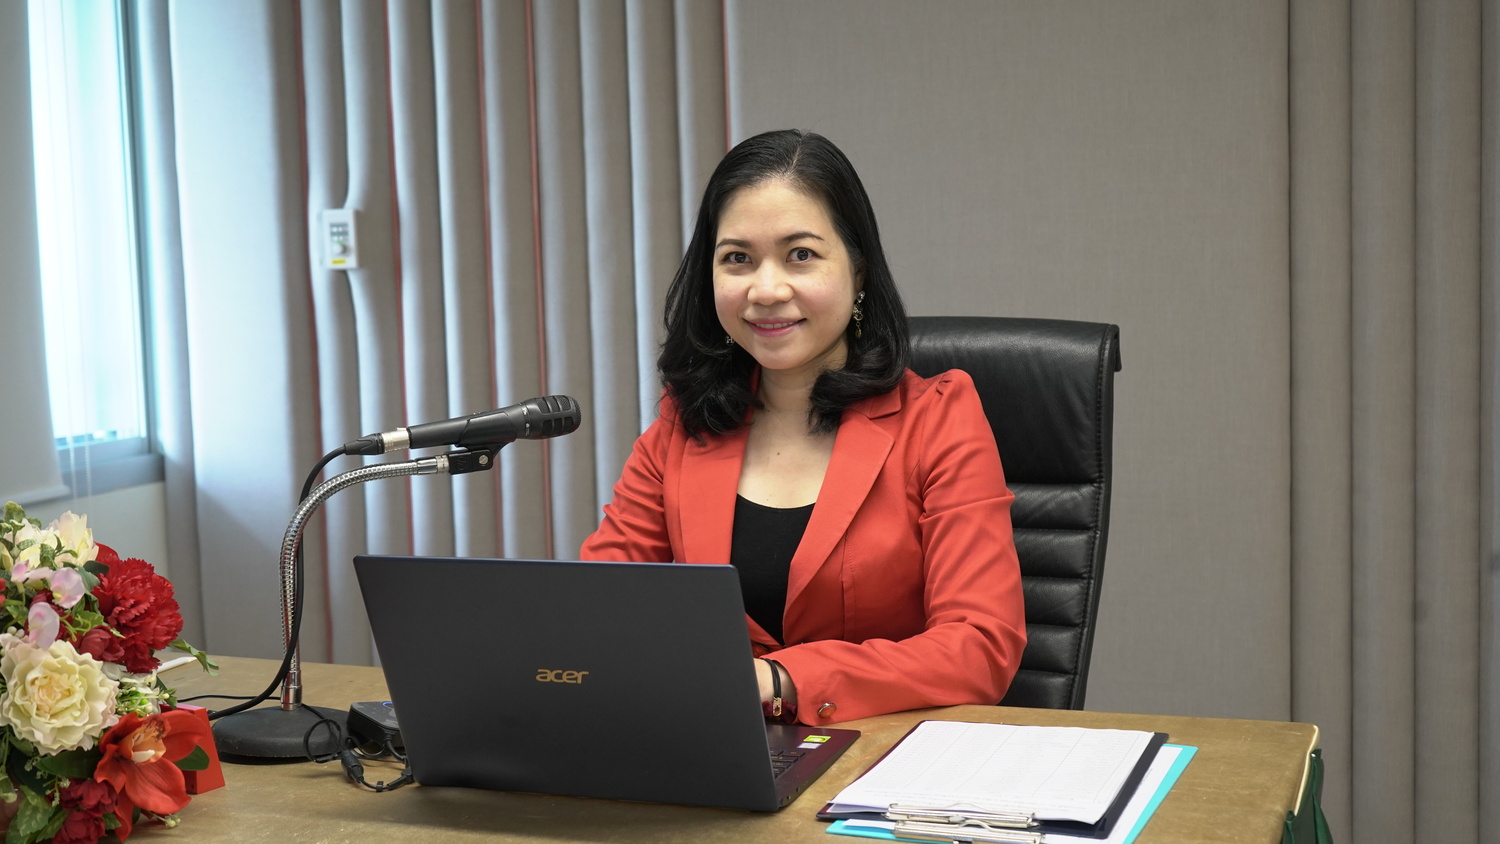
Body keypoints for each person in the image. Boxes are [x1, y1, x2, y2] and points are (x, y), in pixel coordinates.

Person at [580, 129, 1025, 726]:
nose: (766, 290)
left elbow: (980, 646)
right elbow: (601, 609)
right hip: (716, 751)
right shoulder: (682, 425)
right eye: (737, 258)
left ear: (858, 272)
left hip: (882, 757)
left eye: (801, 255)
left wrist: (781, 680)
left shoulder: (938, 419)